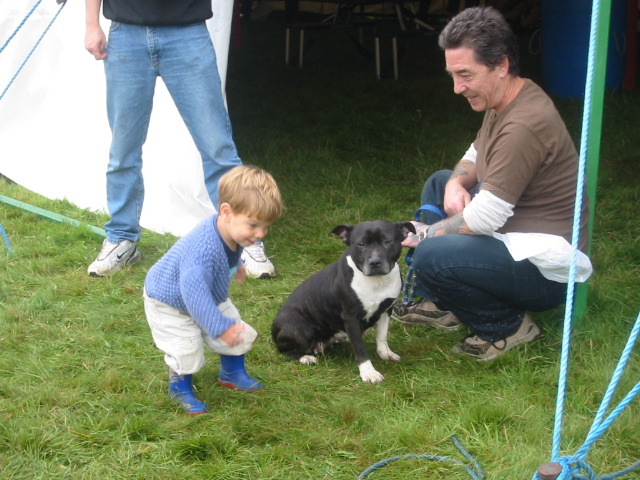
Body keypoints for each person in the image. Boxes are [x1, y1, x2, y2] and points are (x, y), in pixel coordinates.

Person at [392, 7, 592, 361]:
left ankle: (507, 326)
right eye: (453, 75)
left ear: (500, 64)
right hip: (514, 235)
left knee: (431, 254)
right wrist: (456, 182)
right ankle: (444, 304)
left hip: (545, 270)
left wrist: (423, 235)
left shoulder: (524, 126)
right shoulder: (508, 97)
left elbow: (482, 220)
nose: (457, 88)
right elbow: (475, 151)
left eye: (465, 74)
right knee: (439, 183)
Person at [83, 0, 276, 279]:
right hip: (126, 34)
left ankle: (247, 239)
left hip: (187, 32)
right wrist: (92, 25)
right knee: (123, 150)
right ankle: (122, 239)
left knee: (217, 148)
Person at [143, 165, 283, 415]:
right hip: (170, 301)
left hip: (206, 293)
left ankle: (231, 374)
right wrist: (219, 328)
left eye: (265, 227)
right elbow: (195, 301)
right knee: (185, 345)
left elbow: (230, 250)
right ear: (226, 211)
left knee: (235, 328)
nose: (260, 234)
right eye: (253, 225)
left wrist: (236, 264)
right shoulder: (202, 254)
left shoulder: (231, 229)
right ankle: (179, 389)